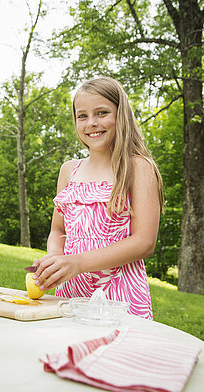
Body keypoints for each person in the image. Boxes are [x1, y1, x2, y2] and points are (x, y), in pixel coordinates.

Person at [32, 77, 164, 320]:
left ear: (120, 115)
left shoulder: (138, 168)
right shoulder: (68, 170)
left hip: (118, 297)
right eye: (82, 116)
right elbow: (58, 230)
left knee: (112, 355)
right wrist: (54, 256)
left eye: (101, 113)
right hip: (69, 293)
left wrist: (79, 262)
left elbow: (144, 242)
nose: (91, 123)